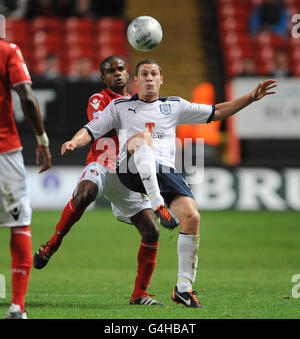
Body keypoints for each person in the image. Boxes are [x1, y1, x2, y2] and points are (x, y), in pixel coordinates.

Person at [61, 59, 277, 308]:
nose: (149, 78)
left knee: (192, 217)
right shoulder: (120, 106)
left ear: (161, 79)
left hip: (165, 173)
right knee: (142, 139)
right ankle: (157, 205)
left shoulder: (174, 106)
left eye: (154, 74)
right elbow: (91, 130)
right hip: (129, 169)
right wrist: (73, 142)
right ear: (136, 81)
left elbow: (215, 111)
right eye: (144, 74)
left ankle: (183, 289)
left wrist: (250, 97)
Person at [33, 56, 171, 306]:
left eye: (121, 69)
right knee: (85, 193)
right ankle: (51, 245)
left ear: (129, 75)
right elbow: (100, 126)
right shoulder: (100, 100)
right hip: (102, 163)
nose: (117, 74)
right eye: (111, 71)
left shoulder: (142, 104)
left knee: (152, 231)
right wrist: (75, 141)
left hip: (128, 174)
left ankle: (139, 294)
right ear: (103, 78)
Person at [0, 32, 52, 319]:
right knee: (19, 221)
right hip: (4, 151)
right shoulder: (7, 50)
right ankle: (17, 306)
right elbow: (27, 98)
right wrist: (42, 140)